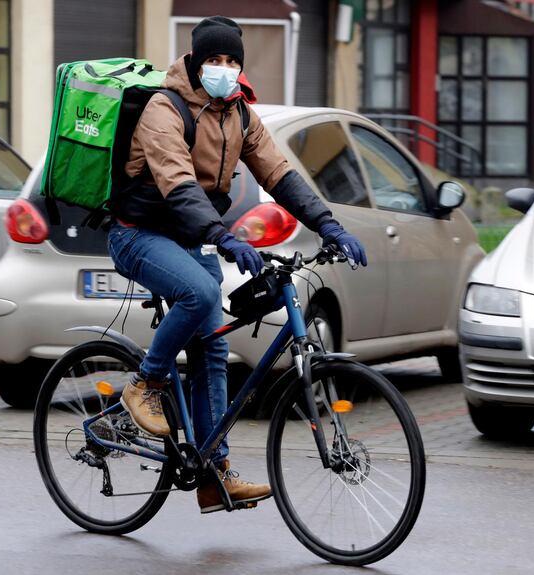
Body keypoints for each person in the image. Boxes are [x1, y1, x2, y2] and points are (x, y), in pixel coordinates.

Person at [108, 15, 367, 514]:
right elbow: (178, 184)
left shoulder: (239, 114)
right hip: (138, 234)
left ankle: (214, 476)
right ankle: (146, 382)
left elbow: (279, 173)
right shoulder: (165, 109)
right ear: (196, 61)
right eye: (214, 60)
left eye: (232, 61)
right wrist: (223, 236)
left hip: (189, 240)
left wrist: (329, 224)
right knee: (201, 295)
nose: (224, 69)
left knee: (212, 349)